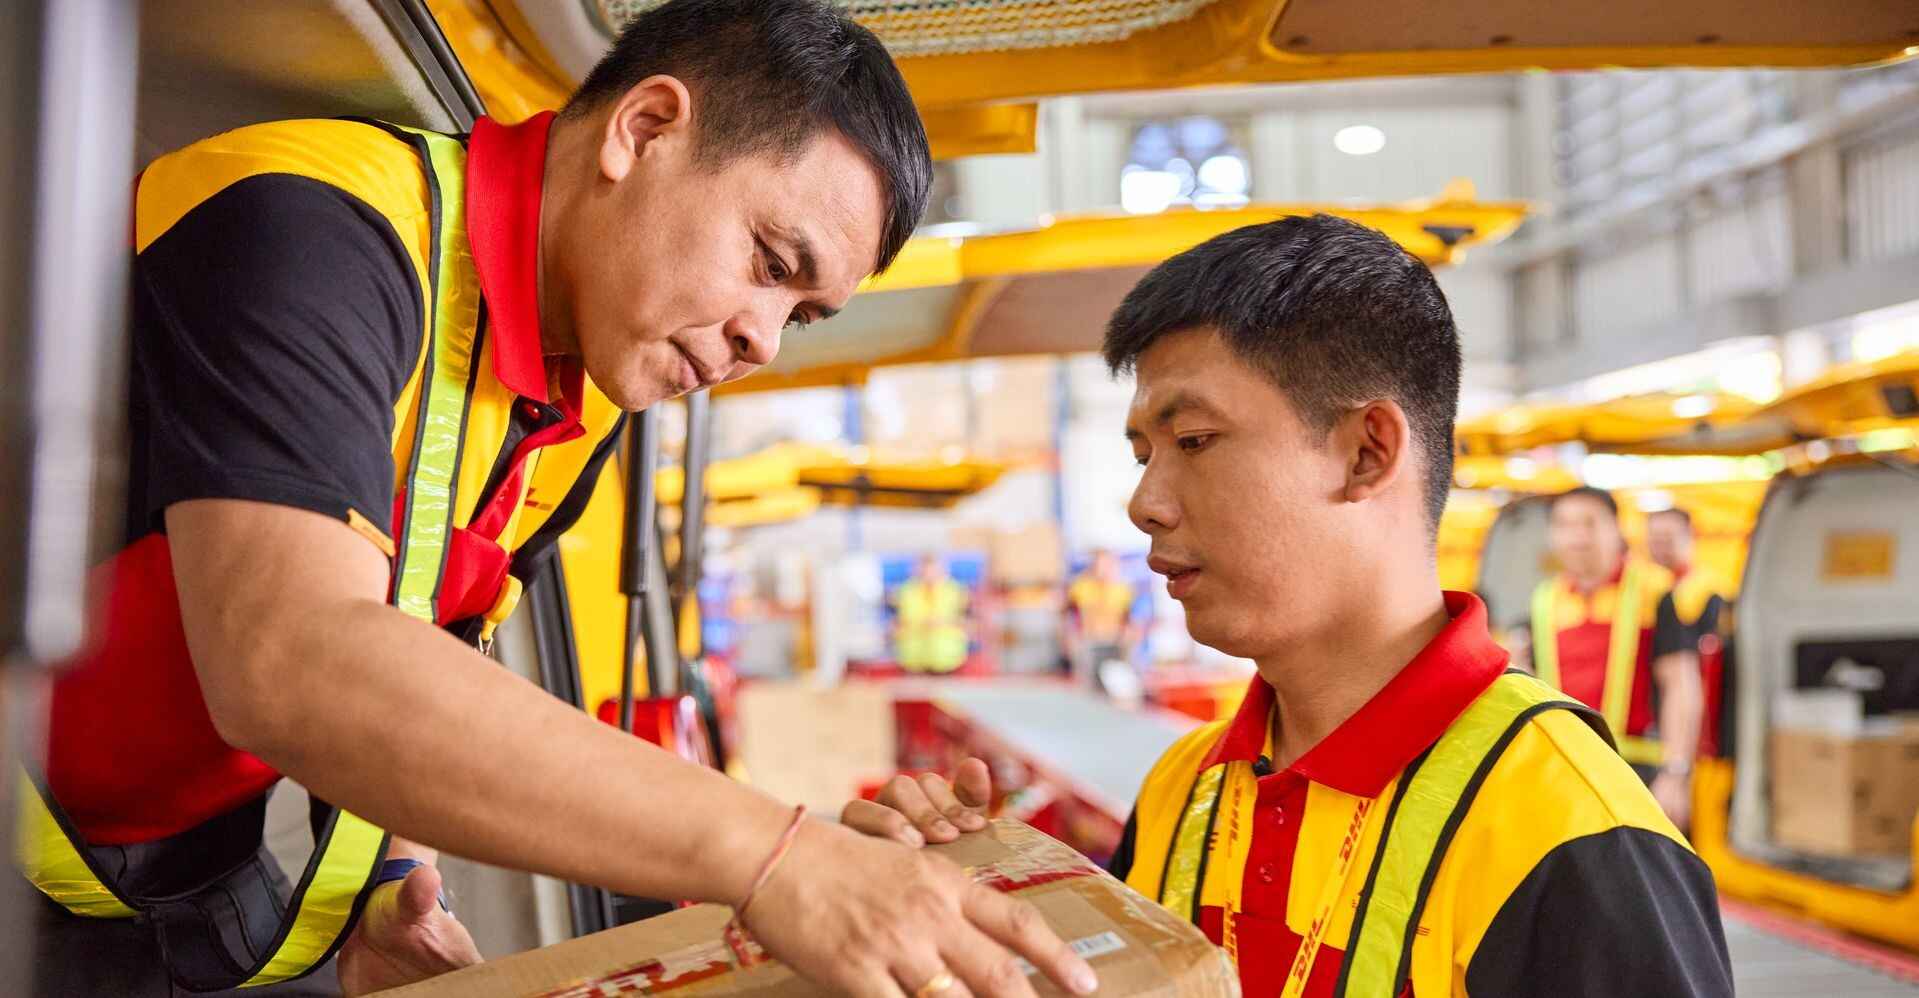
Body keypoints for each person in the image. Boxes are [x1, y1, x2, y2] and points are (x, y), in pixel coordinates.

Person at [23, 3, 1096, 997]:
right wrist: (780, 856)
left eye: (801, 315)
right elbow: (287, 655)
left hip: (188, 874)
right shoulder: (307, 225)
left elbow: (440, 634)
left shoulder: (577, 390)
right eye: (770, 262)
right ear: (643, 127)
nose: (760, 341)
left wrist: (399, 876)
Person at [845, 215, 1733, 997]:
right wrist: (973, 904)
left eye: (1193, 441)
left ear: (1364, 452)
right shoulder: (1184, 792)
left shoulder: (1571, 836)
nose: (1145, 502)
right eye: (1142, 452)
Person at [1534, 488, 1706, 825]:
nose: (1578, 537)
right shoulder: (1545, 601)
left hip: (1642, 772)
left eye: (1589, 523)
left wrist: (1676, 772)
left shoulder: (1655, 591)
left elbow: (1681, 683)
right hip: (1569, 769)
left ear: (1616, 528)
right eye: (1565, 525)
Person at [1646, 505, 1732, 755]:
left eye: (1667, 538)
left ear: (1688, 538)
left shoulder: (1706, 590)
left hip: (1697, 714)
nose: (1660, 546)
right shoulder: (1645, 590)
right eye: (1654, 539)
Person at [1064, 549, 1141, 686]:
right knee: (1089, 684)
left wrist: (1129, 636)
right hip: (1089, 642)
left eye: (1106, 565)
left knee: (1117, 682)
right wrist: (1070, 638)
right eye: (1099, 565)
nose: (1102, 569)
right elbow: (1068, 615)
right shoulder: (1081, 587)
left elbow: (1129, 619)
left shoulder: (1122, 590)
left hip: (1114, 642)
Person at [894, 553, 972, 673]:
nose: (928, 574)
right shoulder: (905, 591)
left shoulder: (957, 591)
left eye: (932, 570)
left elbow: (969, 622)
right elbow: (896, 623)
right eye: (924, 570)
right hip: (913, 659)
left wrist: (943, 622)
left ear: (942, 569)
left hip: (948, 659)